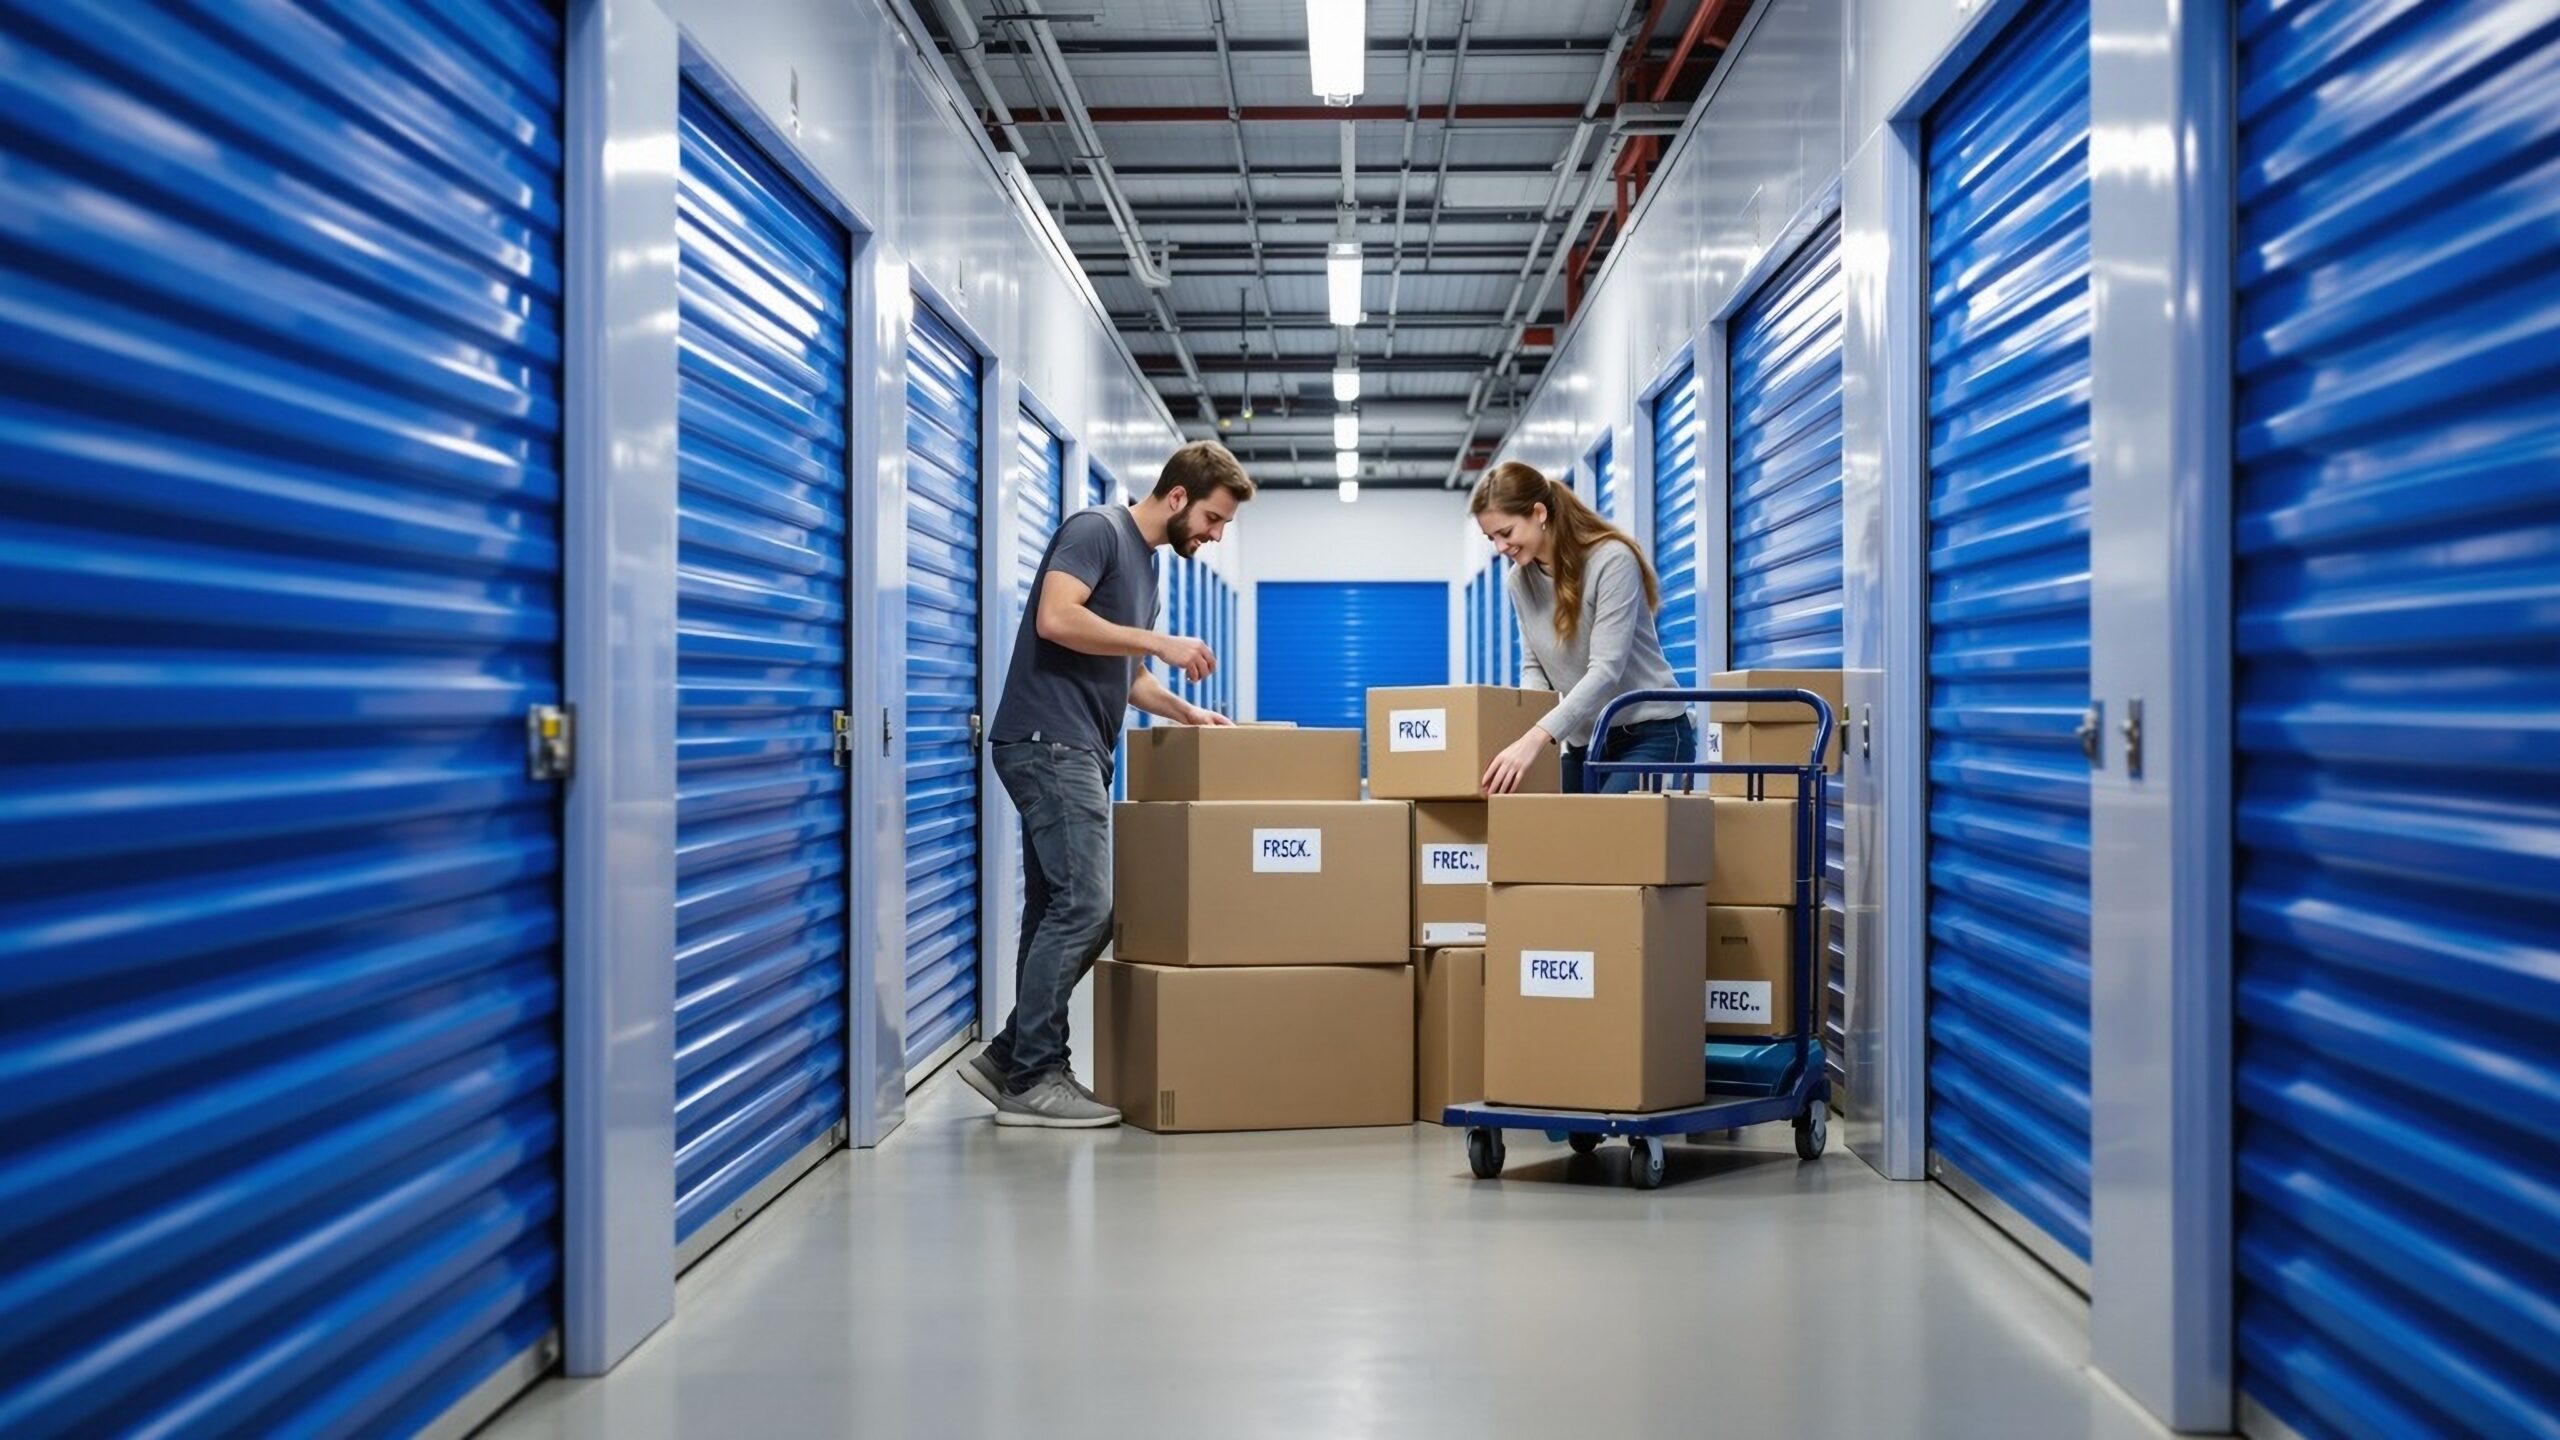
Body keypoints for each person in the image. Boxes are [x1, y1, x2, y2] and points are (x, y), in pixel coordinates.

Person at [960, 440, 1255, 1127]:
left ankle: (1010, 1059)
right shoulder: (1098, 531)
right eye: (1214, 520)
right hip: (1049, 744)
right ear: (1178, 497)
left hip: (1075, 747)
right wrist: (1159, 641)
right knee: (1089, 907)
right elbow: (1056, 619)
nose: (1215, 536)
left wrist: (1184, 710)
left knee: (1052, 912)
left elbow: (1123, 672)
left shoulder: (1146, 566)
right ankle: (1033, 1075)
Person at [1471, 460, 1694, 796]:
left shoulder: (1612, 561)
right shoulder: (1519, 580)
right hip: (1585, 744)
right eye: (1491, 538)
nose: (1500, 548)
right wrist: (1524, 734)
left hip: (1650, 734)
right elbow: (1535, 670)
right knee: (1561, 840)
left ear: (1539, 513)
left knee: (1600, 841)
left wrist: (1536, 737)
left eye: (1506, 533)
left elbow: (1606, 670)